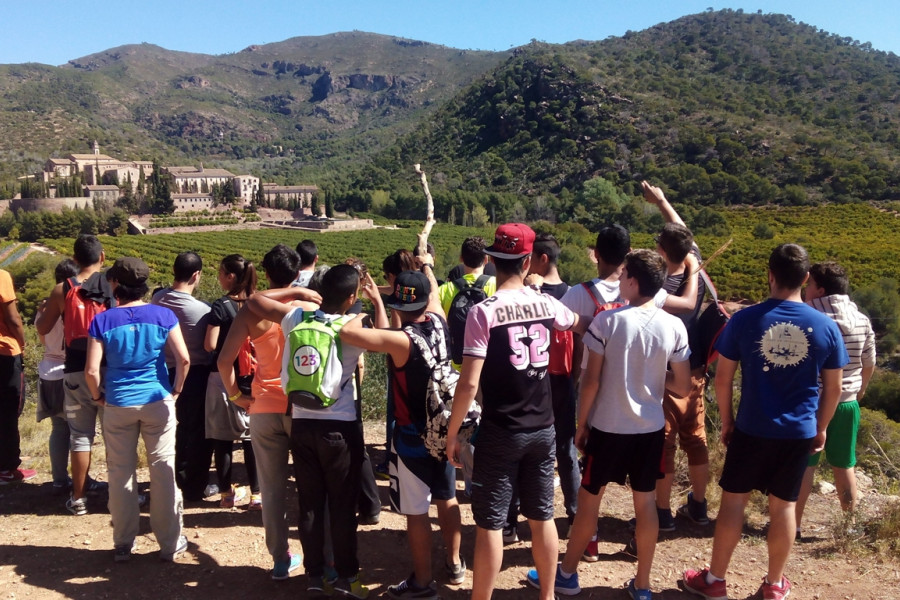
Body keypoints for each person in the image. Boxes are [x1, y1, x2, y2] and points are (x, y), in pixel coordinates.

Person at [683, 244, 848, 600]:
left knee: (733, 503)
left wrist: (727, 422)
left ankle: (715, 581)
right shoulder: (826, 327)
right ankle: (774, 584)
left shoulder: (745, 319)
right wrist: (820, 427)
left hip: (752, 427)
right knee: (784, 506)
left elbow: (723, 377)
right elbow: (833, 388)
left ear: (769, 275)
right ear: (805, 278)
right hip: (798, 431)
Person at [529, 249, 692, 600]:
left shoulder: (607, 322)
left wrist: (581, 423)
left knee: (590, 502)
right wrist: (651, 375)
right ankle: (643, 585)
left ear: (633, 281)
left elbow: (590, 381)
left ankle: (568, 575)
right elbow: (681, 385)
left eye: (624, 277)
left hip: (607, 428)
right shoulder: (673, 326)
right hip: (649, 429)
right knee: (645, 503)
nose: (619, 282)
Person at [445, 223, 583, 600]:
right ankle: (549, 595)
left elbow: (470, 383)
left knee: (490, 522)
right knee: (541, 515)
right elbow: (576, 322)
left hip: (501, 428)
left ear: (491, 260)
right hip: (544, 426)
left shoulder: (482, 312)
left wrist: (453, 433)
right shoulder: (548, 304)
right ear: (527, 262)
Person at [340, 266, 465, 599]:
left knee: (416, 511)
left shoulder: (401, 341)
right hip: (444, 426)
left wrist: (358, 312)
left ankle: (422, 583)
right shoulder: (438, 319)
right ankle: (454, 563)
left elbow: (349, 335)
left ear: (397, 305)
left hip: (412, 436)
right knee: (447, 496)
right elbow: (433, 296)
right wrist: (424, 264)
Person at [246, 263, 369, 598]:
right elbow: (390, 333)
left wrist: (296, 293)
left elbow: (254, 300)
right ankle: (348, 577)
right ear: (351, 297)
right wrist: (377, 302)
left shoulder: (296, 319)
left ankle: (315, 575)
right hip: (338, 429)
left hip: (301, 423)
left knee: (310, 503)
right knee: (342, 507)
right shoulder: (350, 326)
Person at [218, 244, 320, 580]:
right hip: (302, 407)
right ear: (296, 272)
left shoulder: (253, 309)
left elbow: (224, 361)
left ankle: (280, 560)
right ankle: (320, 559)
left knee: (272, 488)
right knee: (311, 485)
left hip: (263, 406)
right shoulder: (308, 303)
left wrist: (236, 396)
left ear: (264, 271)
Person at [84, 258, 190, 562]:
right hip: (157, 401)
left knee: (120, 473)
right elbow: (183, 360)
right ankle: (169, 543)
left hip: (118, 402)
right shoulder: (164, 315)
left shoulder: (102, 321)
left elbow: (92, 370)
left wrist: (98, 397)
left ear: (115, 284)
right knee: (162, 470)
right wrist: (176, 390)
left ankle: (123, 543)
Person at [642, 181, 710, 530]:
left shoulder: (658, 284)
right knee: (695, 437)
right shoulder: (693, 267)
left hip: (665, 370)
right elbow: (684, 236)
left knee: (665, 442)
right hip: (695, 364)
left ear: (660, 249)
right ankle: (699, 506)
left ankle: (663, 512)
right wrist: (663, 201)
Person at [795, 262, 876, 536]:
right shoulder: (861, 319)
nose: (805, 290)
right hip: (847, 402)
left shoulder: (808, 316)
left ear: (820, 288)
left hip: (811, 402)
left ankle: (792, 524)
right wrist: (860, 390)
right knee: (845, 464)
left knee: (805, 466)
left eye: (809, 285)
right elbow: (869, 362)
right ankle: (850, 526)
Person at [35, 234, 115, 512]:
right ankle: (120, 497)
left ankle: (78, 498)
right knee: (113, 435)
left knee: (80, 435)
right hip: (108, 369)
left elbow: (44, 329)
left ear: (74, 259)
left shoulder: (62, 289)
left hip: (74, 370)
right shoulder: (111, 287)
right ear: (102, 257)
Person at [152, 251, 213, 501]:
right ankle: (194, 485)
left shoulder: (157, 299)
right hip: (195, 375)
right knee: (196, 431)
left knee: (169, 429)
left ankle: (171, 480)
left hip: (162, 373)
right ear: (196, 275)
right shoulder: (202, 311)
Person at [204, 254, 259, 509]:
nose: (218, 277)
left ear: (231, 276)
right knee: (251, 440)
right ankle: (257, 495)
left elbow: (210, 345)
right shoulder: (259, 303)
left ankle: (227, 495)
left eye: (221, 272)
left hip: (223, 379)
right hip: (254, 377)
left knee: (222, 440)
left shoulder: (220, 306)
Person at [0, 266, 31, 485]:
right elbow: (12, 319)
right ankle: (7, 467)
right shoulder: (1, 276)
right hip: (4, 351)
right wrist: (22, 343)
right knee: (10, 409)